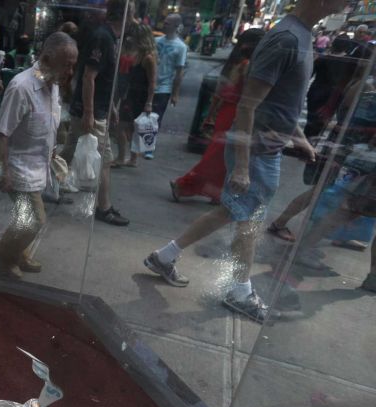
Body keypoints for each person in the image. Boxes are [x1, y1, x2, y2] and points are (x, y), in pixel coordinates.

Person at [143, 0, 347, 323]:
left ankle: (165, 257)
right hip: (257, 151)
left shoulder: (301, 36)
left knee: (232, 213)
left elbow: (283, 105)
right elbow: (247, 106)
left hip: (267, 149)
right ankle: (239, 292)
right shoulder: (287, 39)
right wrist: (241, 165)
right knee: (249, 223)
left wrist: (301, 139)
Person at [0, 32, 78, 278]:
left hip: (38, 167)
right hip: (19, 169)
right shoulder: (22, 87)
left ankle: (18, 251)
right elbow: (2, 134)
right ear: (48, 59)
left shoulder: (52, 83)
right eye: (67, 65)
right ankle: (5, 253)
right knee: (34, 219)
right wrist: (5, 171)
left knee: (27, 217)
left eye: (73, 65)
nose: (70, 71)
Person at [267, 37, 365, 242]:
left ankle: (293, 227)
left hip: (348, 146)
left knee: (325, 191)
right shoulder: (361, 87)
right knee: (323, 192)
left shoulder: (352, 83)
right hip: (349, 148)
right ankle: (286, 227)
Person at [170, 29, 266, 202]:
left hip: (230, 112)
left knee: (220, 156)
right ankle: (185, 185)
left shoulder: (238, 63)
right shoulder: (248, 65)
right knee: (218, 157)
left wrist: (212, 114)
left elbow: (222, 92)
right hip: (235, 114)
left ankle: (213, 191)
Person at [62, 0, 131, 227]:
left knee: (69, 151)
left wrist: (108, 107)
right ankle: (104, 207)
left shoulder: (109, 37)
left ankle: (45, 185)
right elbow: (88, 76)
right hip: (91, 110)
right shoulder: (103, 37)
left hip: (94, 108)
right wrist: (90, 113)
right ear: (125, 16)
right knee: (105, 160)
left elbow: (99, 78)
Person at [111, 21, 157, 168]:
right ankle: (131, 158)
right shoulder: (138, 54)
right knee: (130, 128)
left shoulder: (148, 58)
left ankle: (122, 157)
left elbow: (152, 83)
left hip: (139, 97)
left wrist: (149, 102)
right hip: (132, 95)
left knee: (122, 127)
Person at [149, 13, 187, 159]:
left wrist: (175, 93)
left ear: (176, 27)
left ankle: (149, 145)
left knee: (156, 117)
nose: (164, 25)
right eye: (164, 22)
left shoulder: (181, 47)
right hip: (149, 84)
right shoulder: (156, 41)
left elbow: (179, 72)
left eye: (167, 23)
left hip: (164, 87)